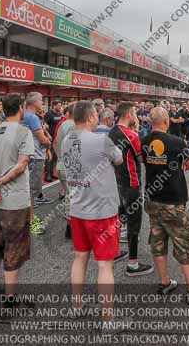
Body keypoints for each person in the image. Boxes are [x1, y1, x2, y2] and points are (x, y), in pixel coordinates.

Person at [62, 101, 123, 326]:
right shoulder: (100, 139)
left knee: (80, 258)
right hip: (102, 210)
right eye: (96, 115)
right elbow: (119, 158)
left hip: (78, 208)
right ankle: (108, 319)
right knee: (105, 264)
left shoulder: (67, 139)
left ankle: (76, 306)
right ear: (89, 117)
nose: (98, 118)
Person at [141, 107, 189, 304]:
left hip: (152, 199)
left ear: (150, 123)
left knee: (158, 242)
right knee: (184, 245)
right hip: (173, 200)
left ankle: (165, 282)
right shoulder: (177, 142)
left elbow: (141, 160)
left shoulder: (143, 141)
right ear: (167, 121)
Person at [0, 94, 35, 312]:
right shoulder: (23, 132)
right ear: (21, 108)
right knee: (14, 248)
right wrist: (1, 181)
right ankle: (10, 301)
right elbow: (22, 164)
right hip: (16, 200)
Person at [109, 102, 153, 276]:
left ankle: (113, 253)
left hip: (116, 181)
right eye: (134, 113)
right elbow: (142, 158)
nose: (136, 116)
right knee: (134, 223)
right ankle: (133, 264)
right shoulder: (131, 135)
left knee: (118, 218)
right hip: (131, 183)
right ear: (128, 115)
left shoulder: (111, 131)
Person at [22, 92, 54, 236]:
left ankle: (26, 221)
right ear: (34, 102)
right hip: (35, 156)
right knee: (30, 193)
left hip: (28, 156)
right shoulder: (32, 117)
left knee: (27, 192)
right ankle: (30, 223)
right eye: (41, 100)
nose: (43, 102)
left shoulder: (24, 116)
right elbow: (43, 139)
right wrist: (48, 144)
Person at [54, 103, 75, 238]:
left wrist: (60, 158)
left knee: (69, 196)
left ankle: (70, 228)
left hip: (61, 165)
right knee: (73, 198)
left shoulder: (63, 124)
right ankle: (71, 229)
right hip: (70, 167)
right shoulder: (74, 126)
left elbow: (55, 142)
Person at [43, 100, 63, 183]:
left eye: (60, 105)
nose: (60, 107)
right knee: (49, 157)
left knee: (55, 158)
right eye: (58, 105)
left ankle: (52, 173)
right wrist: (48, 134)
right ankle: (47, 174)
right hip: (50, 139)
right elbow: (43, 125)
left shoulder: (59, 114)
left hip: (57, 139)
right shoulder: (49, 114)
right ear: (54, 106)